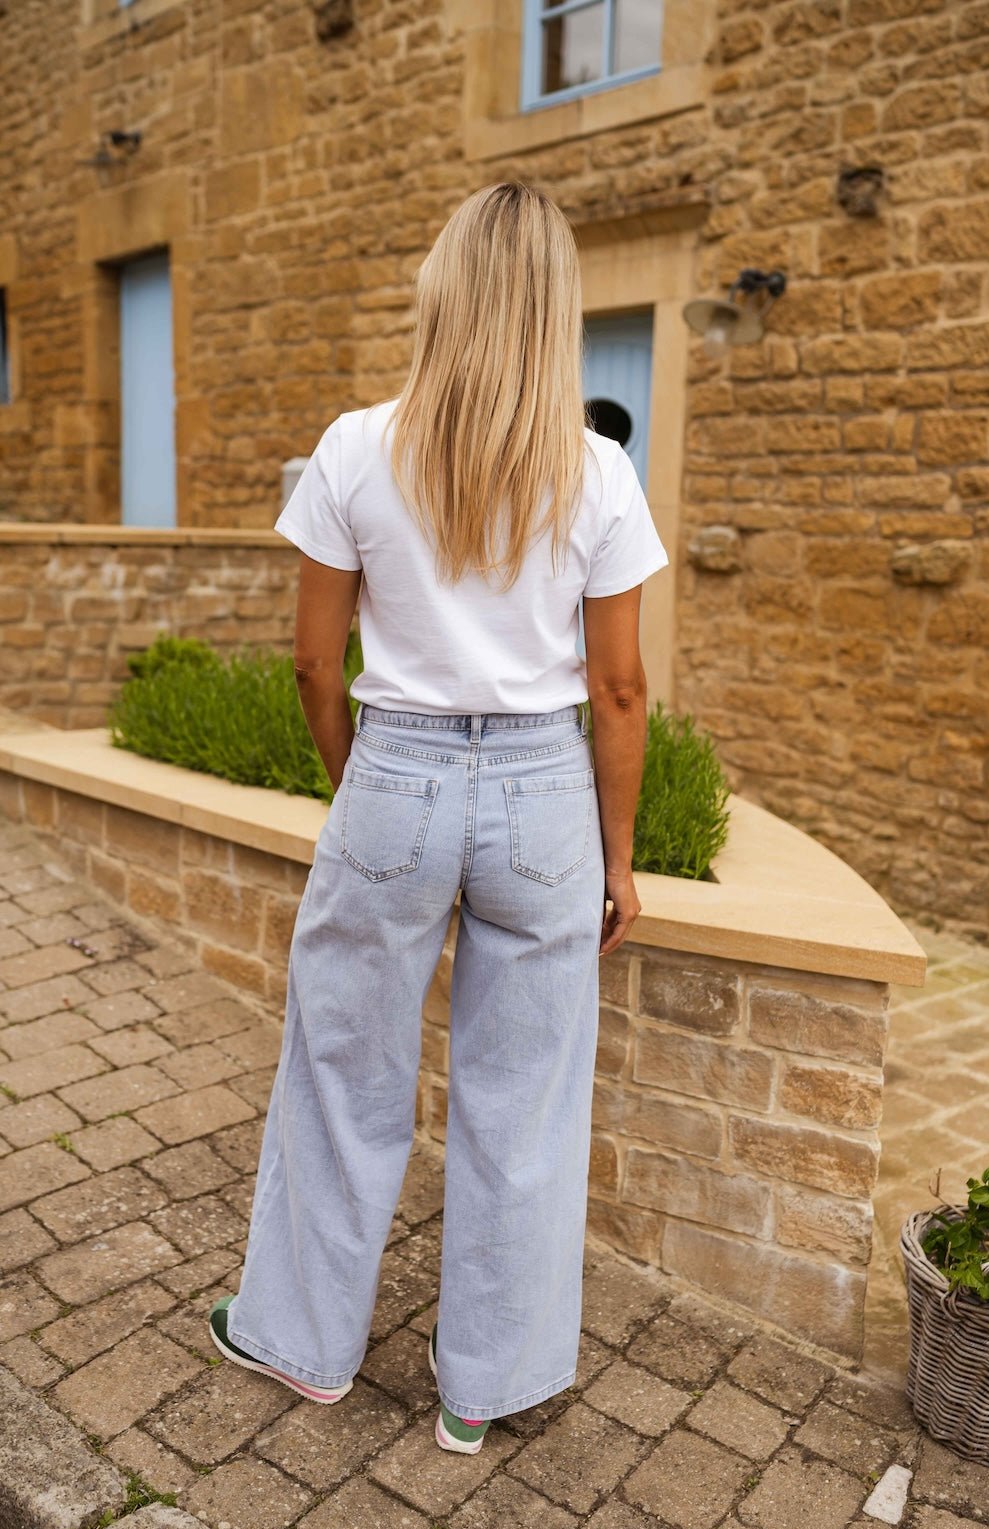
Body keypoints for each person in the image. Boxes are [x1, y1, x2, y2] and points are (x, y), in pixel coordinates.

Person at [208, 181, 670, 1455]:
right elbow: (621, 689)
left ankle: (300, 1344)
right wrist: (621, 858)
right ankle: (484, 1389)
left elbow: (313, 661)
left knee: (342, 1071)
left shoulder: (356, 449)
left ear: (442, 291)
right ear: (556, 310)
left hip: (397, 776)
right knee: (523, 1101)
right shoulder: (600, 470)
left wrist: (362, 782)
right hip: (543, 798)